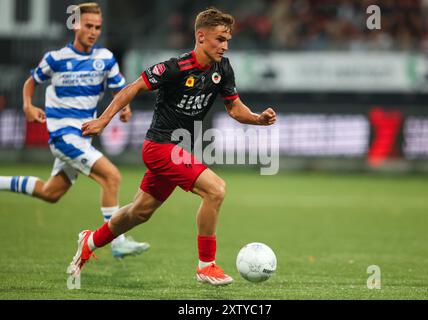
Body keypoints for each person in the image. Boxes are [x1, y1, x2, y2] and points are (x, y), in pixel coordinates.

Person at [67, 7, 277, 286]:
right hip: (160, 146)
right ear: (201, 37)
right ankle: (207, 266)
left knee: (139, 212)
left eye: (228, 40)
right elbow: (132, 88)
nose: (225, 46)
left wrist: (257, 119)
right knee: (215, 190)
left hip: (180, 149)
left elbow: (234, 108)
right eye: (219, 39)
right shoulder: (175, 67)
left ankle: (90, 241)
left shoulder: (222, 68)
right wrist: (104, 120)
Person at [0, 3, 149, 259]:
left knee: (51, 193)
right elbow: (30, 82)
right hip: (62, 136)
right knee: (111, 177)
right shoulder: (55, 59)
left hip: (82, 138)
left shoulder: (105, 59)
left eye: (97, 27)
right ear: (75, 25)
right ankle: (117, 241)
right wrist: (27, 105)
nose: (93, 31)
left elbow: (120, 90)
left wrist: (124, 108)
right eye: (88, 26)